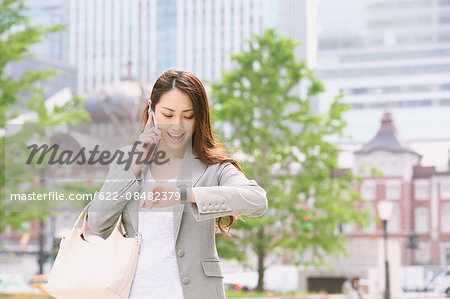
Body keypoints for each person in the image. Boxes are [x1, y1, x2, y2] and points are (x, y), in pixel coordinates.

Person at [86, 69, 268, 299]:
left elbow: (257, 200)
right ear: (151, 110)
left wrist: (185, 194)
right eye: (168, 114)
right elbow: (98, 221)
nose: (177, 125)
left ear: (199, 117)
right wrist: (136, 163)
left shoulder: (212, 166)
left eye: (187, 116)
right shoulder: (128, 160)